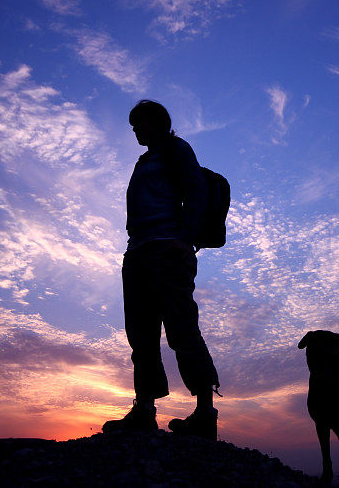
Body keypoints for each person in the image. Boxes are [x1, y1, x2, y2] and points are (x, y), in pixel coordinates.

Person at [102, 100, 220, 440]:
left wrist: (184, 239)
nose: (135, 131)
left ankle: (204, 413)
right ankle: (144, 410)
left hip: (169, 251)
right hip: (138, 253)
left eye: (139, 124)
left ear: (156, 123)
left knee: (182, 330)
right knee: (141, 336)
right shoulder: (145, 160)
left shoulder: (176, 149)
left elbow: (196, 190)